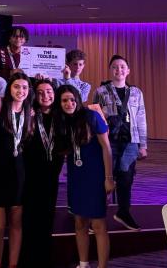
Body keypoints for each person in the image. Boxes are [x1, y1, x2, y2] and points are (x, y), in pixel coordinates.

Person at [54, 85, 114, 268]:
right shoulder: (63, 121)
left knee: (98, 225)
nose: (69, 103)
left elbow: (106, 148)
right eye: (64, 100)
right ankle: (83, 263)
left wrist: (108, 178)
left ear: (78, 100)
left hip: (95, 177)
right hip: (76, 177)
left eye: (72, 99)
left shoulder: (91, 116)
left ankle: (102, 266)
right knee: (79, 223)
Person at [93, 55, 147, 231]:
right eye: (115, 67)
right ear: (110, 70)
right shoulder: (101, 91)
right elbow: (94, 118)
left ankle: (123, 212)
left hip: (131, 141)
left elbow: (141, 118)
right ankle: (96, 215)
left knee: (126, 178)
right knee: (104, 177)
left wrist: (143, 144)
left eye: (122, 67)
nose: (119, 70)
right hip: (109, 141)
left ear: (128, 71)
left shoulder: (136, 93)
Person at [0, 72, 33, 268]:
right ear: (9, 89)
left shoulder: (29, 112)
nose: (20, 91)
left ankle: (12, 265)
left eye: (24, 87)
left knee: (16, 224)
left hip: (19, 172)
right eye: (16, 87)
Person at [21, 80, 64, 268]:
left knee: (47, 218)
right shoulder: (29, 114)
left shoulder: (61, 115)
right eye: (40, 92)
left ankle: (44, 259)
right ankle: (29, 259)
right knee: (30, 219)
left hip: (51, 176)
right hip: (31, 176)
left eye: (48, 91)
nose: (45, 95)